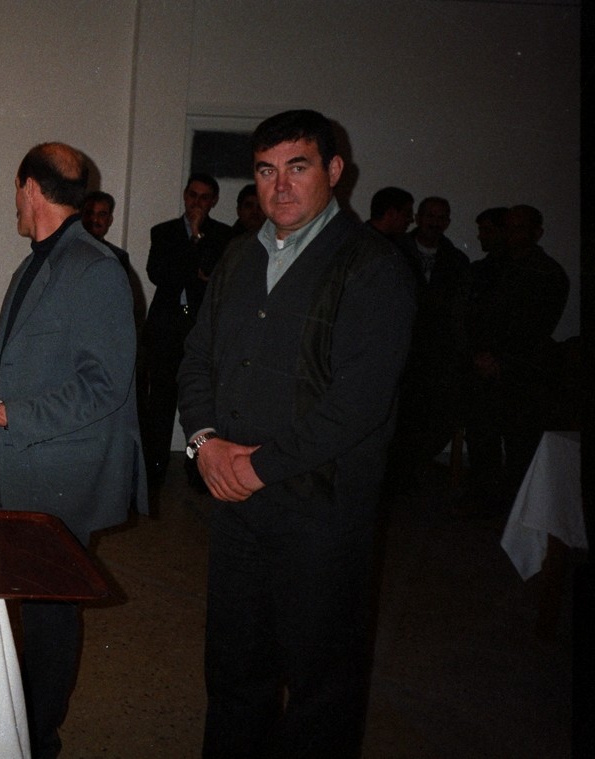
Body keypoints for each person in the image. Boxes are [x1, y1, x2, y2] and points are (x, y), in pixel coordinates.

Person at [178, 109, 415, 757]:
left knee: (320, 690)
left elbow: (358, 403)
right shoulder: (238, 255)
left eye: (297, 166)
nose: (279, 186)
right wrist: (202, 442)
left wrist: (255, 466)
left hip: (322, 514)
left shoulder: (372, 265)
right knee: (233, 674)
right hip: (237, 509)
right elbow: (196, 359)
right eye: (265, 171)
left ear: (334, 171)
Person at [0, 142, 143, 759]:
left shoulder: (97, 267)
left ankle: (39, 739)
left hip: (60, 473)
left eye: (16, 191)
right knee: (17, 602)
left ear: (29, 187)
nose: (15, 202)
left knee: (50, 613)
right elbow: (11, 366)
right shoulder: (35, 264)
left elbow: (104, 385)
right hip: (14, 459)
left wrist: (8, 414)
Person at [462, 203, 569, 505]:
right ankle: (485, 498)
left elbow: (535, 327)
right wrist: (477, 354)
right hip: (486, 365)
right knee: (481, 436)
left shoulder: (547, 273)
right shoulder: (490, 268)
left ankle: (517, 506)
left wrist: (501, 360)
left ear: (537, 233)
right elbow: (471, 315)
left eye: (518, 228)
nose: (510, 234)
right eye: (507, 227)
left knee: (520, 442)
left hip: (522, 372)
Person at [141, 173, 231, 489]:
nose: (197, 202)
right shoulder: (163, 232)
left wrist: (196, 237)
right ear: (184, 195)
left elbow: (212, 274)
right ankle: (155, 470)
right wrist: (193, 256)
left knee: (200, 404)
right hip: (166, 329)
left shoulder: (223, 235)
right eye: (193, 195)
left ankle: (197, 471)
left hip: (200, 331)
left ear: (213, 201)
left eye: (204, 197)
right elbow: (158, 274)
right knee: (160, 404)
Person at [386, 196, 471, 491]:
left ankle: (414, 474)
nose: (435, 222)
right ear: (418, 218)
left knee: (431, 419)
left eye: (441, 217)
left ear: (447, 222)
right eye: (430, 216)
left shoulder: (457, 261)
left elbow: (459, 312)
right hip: (399, 350)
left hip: (436, 357)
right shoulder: (393, 251)